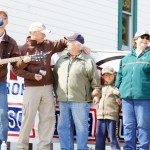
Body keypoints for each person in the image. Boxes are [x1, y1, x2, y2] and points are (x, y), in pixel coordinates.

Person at [13, 23, 89, 150]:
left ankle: (44, 148)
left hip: (48, 88)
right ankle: (21, 148)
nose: (45, 35)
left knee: (47, 120)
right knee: (28, 120)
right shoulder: (22, 49)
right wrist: (31, 76)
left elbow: (65, 42)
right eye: (42, 33)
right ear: (34, 33)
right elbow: (16, 70)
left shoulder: (48, 44)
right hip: (31, 89)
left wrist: (82, 46)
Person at [53, 33, 101, 150]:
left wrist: (97, 93)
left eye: (70, 41)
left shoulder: (88, 60)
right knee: (63, 127)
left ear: (77, 45)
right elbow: (55, 79)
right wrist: (56, 94)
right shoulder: (61, 60)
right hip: (63, 100)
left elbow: (95, 80)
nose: (67, 43)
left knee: (81, 128)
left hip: (81, 100)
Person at [115, 30, 150, 150]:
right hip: (126, 99)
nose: (145, 39)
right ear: (135, 40)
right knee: (128, 126)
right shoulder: (125, 59)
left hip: (144, 98)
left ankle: (143, 148)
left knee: (143, 126)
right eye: (142, 37)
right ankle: (129, 148)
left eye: (147, 38)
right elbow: (119, 76)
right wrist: (117, 92)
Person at [0, 9, 30, 146]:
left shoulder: (11, 42)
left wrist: (23, 61)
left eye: (3, 18)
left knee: (3, 114)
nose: (1, 20)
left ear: (7, 21)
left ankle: (2, 142)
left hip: (1, 83)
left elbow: (16, 66)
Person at [95, 66, 121, 150]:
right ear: (103, 77)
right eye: (106, 75)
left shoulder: (116, 88)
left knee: (113, 137)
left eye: (110, 75)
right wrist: (96, 96)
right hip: (100, 116)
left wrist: (117, 95)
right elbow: (95, 94)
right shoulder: (102, 88)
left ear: (114, 75)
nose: (108, 77)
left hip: (112, 117)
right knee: (99, 137)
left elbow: (119, 94)